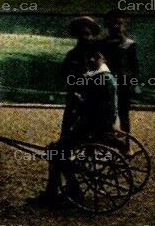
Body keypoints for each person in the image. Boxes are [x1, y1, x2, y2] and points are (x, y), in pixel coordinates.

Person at [37, 17, 117, 206]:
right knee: (62, 146)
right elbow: (63, 75)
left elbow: (101, 91)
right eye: (81, 34)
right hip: (76, 107)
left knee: (61, 151)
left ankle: (68, 187)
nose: (84, 38)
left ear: (91, 35)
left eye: (87, 34)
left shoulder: (97, 58)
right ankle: (56, 190)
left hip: (89, 112)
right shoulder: (73, 55)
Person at [102, 12, 140, 134]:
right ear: (107, 25)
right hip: (106, 84)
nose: (116, 26)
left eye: (119, 23)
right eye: (113, 23)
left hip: (124, 85)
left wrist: (133, 85)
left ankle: (126, 145)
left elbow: (135, 68)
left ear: (124, 25)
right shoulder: (103, 44)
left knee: (124, 115)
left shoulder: (129, 45)